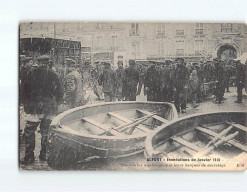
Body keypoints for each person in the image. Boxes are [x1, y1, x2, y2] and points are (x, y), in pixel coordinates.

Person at [21, 55, 63, 165]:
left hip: (34, 107)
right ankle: (44, 155)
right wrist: (55, 103)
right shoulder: (54, 75)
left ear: (38, 62)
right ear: (48, 62)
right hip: (49, 107)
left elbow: (24, 90)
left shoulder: (31, 73)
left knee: (30, 131)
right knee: (46, 131)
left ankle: (29, 157)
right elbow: (60, 93)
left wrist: (26, 104)